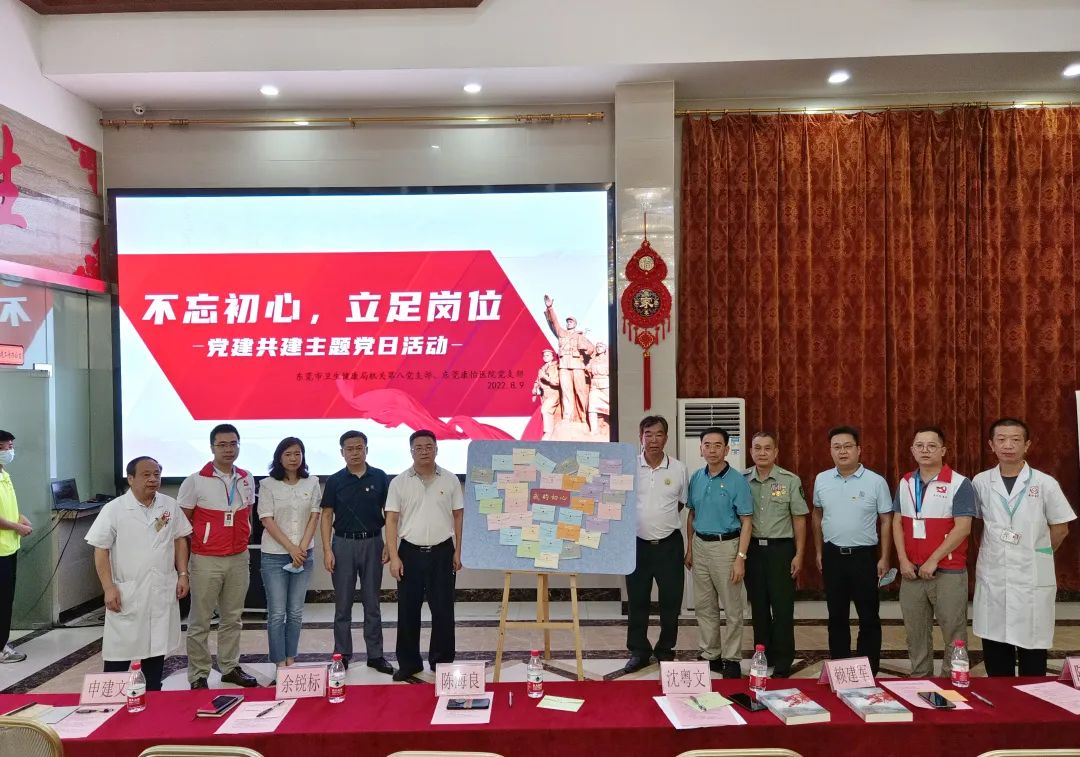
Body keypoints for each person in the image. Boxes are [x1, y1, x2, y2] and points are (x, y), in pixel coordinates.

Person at [972, 417, 1075, 676]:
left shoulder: (1045, 483)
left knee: (1032, 645)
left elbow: (1061, 527)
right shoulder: (981, 482)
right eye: (1001, 439)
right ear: (991, 445)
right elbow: (973, 522)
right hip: (994, 573)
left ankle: (1032, 696)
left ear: (1027, 445)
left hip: (1032, 574)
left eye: (1015, 440)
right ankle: (1000, 697)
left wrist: (1039, 555)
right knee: (996, 645)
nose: (1008, 445)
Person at [86, 457, 191, 690]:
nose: (153, 479)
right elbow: (100, 549)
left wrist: (183, 573)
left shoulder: (169, 505)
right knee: (119, 650)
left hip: (161, 588)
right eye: (146, 474)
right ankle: (111, 698)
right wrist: (108, 587)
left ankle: (152, 693)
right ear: (131, 479)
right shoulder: (114, 509)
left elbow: (180, 539)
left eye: (156, 474)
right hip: (128, 591)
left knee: (156, 646)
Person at [178, 423, 259, 689]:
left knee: (232, 618)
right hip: (206, 559)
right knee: (200, 620)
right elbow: (182, 525)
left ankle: (230, 667)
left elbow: (247, 513)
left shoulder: (246, 477)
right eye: (222, 445)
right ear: (212, 447)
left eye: (233, 444)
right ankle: (198, 674)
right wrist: (183, 568)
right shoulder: (195, 481)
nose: (228, 449)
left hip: (238, 557)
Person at [892, 426, 976, 677]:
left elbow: (963, 528)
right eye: (919, 446)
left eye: (931, 446)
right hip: (911, 572)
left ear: (943, 450)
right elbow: (897, 522)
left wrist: (933, 560)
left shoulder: (959, 483)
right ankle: (920, 678)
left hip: (947, 571)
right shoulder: (906, 482)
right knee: (915, 632)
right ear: (912, 450)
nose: (925, 450)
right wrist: (902, 560)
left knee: (954, 632)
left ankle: (952, 681)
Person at [812, 425, 893, 675]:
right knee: (836, 616)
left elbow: (886, 520)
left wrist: (885, 557)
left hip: (864, 557)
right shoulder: (822, 479)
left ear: (859, 450)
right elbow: (817, 514)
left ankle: (868, 669)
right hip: (833, 555)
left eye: (848, 446)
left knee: (868, 616)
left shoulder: (876, 481)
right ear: (830, 451)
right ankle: (841, 669)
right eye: (837, 447)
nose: (842, 451)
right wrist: (819, 551)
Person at [385, 430, 463, 681]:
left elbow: (458, 516)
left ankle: (442, 661)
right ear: (411, 452)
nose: (424, 451)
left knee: (443, 610)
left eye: (429, 446)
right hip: (409, 552)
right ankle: (409, 663)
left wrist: (458, 550)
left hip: (443, 551)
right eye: (418, 447)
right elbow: (391, 520)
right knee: (408, 610)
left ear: (436, 449)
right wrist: (394, 557)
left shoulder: (450, 480)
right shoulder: (399, 482)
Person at [320, 430, 394, 675]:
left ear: (366, 450)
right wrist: (327, 549)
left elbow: (390, 514)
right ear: (342, 452)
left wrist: (389, 544)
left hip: (373, 543)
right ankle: (342, 655)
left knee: (372, 603)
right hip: (343, 544)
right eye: (349, 449)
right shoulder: (335, 480)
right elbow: (326, 515)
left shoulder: (380, 477)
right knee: (343, 605)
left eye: (359, 448)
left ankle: (376, 655)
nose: (355, 452)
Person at [686, 427, 753, 678]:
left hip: (727, 547)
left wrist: (740, 558)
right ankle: (710, 653)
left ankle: (732, 657)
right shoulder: (697, 477)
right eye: (707, 445)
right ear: (700, 449)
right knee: (704, 606)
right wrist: (690, 548)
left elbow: (747, 521)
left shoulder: (737, 481)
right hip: (700, 546)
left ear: (727, 449)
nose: (712, 450)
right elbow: (691, 514)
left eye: (717, 445)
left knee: (732, 608)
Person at [623, 415, 689, 673]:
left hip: (669, 545)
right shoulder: (629, 466)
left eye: (658, 434)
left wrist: (661, 519)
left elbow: (681, 502)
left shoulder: (679, 468)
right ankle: (638, 651)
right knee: (637, 601)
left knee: (671, 601)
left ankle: (665, 649)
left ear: (666, 438)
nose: (653, 440)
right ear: (640, 437)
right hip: (636, 545)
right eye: (648, 434)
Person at [743, 431, 808, 678]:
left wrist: (799, 554)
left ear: (776, 452)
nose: (762, 453)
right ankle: (763, 655)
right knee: (758, 608)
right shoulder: (742, 480)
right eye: (757, 448)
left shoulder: (789, 480)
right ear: (751, 451)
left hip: (781, 550)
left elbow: (799, 519)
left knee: (782, 608)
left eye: (767, 448)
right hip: (752, 551)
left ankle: (783, 660)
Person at [259, 437, 321, 676]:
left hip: (304, 554)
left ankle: (291, 660)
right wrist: (291, 548)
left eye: (297, 453)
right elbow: (267, 519)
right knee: (277, 612)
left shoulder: (312, 482)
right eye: (288, 454)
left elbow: (314, 516)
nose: (293, 458)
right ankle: (279, 663)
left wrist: (301, 548)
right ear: (279, 457)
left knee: (295, 611)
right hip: (274, 555)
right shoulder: (268, 485)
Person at [0, 430, 29, 663]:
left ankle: (2, 643)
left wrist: (20, 518)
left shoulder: (4, 474)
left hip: (9, 547)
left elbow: (6, 506)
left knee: (6, 599)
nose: (11, 451)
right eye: (6, 446)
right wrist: (16, 527)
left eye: (11, 446)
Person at [542, 294, 594, 424]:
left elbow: (591, 349)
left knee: (581, 391)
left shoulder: (580, 336)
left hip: (577, 366)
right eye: (568, 321)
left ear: (575, 324)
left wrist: (585, 349)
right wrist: (550, 308)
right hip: (564, 365)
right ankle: (567, 417)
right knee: (566, 392)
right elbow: (554, 322)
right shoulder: (561, 333)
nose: (569, 323)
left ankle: (584, 417)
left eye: (571, 321)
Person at [531, 348, 562, 439]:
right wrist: (535, 389)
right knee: (545, 412)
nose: (545, 357)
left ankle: (548, 432)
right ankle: (550, 433)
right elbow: (537, 381)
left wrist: (546, 378)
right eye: (544, 356)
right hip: (544, 395)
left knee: (545, 410)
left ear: (552, 357)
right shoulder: (542, 368)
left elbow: (557, 382)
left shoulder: (556, 367)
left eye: (547, 355)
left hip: (553, 393)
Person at [586, 342, 610, 435]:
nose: (599, 348)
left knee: (612, 405)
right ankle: (594, 430)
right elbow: (587, 369)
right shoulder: (593, 360)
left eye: (601, 346)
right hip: (594, 385)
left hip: (605, 384)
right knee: (591, 407)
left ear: (604, 348)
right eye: (597, 347)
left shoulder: (609, 359)